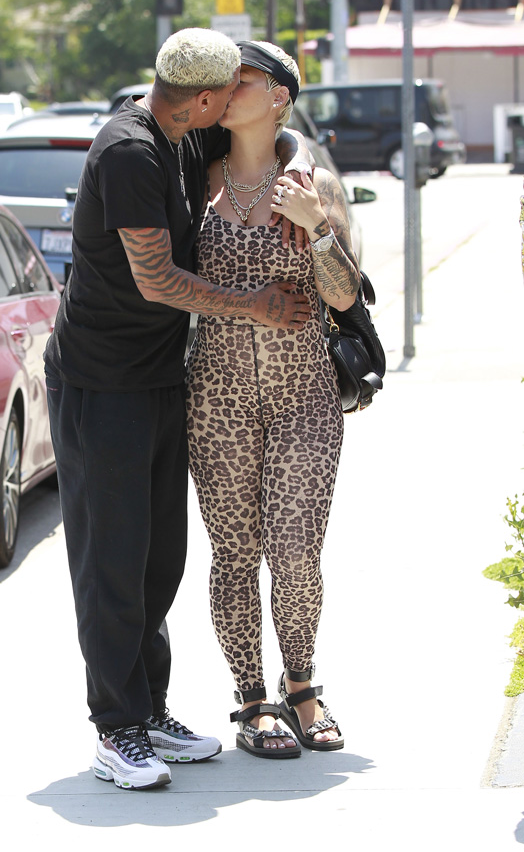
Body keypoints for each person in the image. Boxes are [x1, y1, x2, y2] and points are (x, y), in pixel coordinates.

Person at [44, 28, 314, 791]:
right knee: (111, 563)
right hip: (101, 386)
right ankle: (115, 728)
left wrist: (304, 171)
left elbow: (281, 137)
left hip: (158, 375)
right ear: (200, 99)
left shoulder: (181, 135)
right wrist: (255, 306)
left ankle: (150, 709)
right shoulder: (129, 151)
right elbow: (158, 279)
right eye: (226, 92)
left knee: (159, 558)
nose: (233, 103)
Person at [186, 40, 361, 758]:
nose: (230, 87)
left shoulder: (316, 180)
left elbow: (347, 294)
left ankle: (304, 686)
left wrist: (317, 225)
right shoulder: (197, 176)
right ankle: (252, 699)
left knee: (294, 552)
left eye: (245, 79)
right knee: (235, 554)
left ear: (280, 96)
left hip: (306, 398)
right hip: (216, 401)